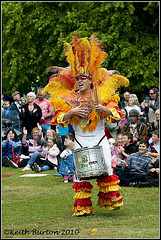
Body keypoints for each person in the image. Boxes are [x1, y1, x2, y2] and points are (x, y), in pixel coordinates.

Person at [42, 34, 129, 216]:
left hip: (100, 140)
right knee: (81, 175)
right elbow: (58, 119)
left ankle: (109, 202)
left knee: (106, 171)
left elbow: (117, 115)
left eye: (83, 78)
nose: (80, 81)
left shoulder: (103, 96)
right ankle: (82, 207)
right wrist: (72, 112)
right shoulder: (69, 98)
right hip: (80, 142)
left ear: (91, 80)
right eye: (78, 78)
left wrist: (103, 110)